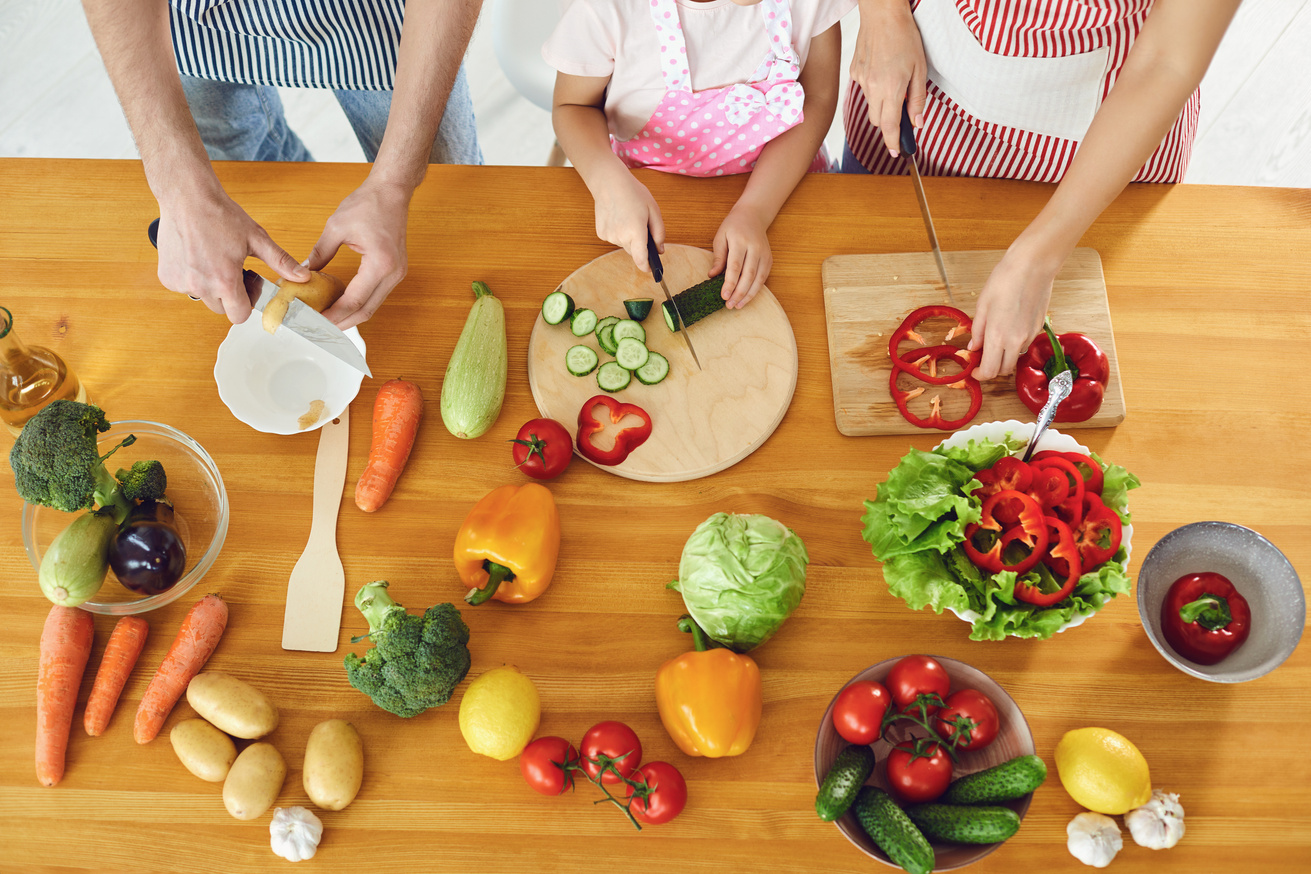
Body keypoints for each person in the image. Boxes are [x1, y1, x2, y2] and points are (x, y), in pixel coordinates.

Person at [844, 0, 1241, 379]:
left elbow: (1169, 61)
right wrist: (882, 12)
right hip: (920, 82)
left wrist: (1039, 257)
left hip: (1103, 147)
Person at [81, 0, 485, 329]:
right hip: (192, 23)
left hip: (381, 16)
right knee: (251, 176)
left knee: (448, 193)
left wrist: (394, 183)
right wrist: (179, 191)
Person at [546, 0, 853, 309]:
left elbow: (818, 96)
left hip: (783, 186)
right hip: (644, 194)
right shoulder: (606, 9)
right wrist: (608, 184)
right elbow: (573, 107)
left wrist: (756, 210)